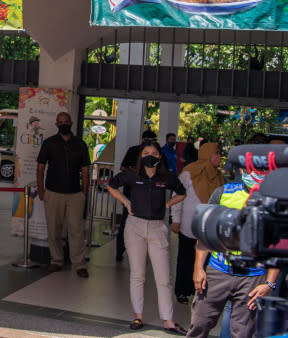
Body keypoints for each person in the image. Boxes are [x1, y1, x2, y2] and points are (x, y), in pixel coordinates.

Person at [185, 150, 281, 338]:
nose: (258, 173)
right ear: (243, 169)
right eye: (253, 168)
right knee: (199, 325)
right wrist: (198, 268)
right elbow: (206, 233)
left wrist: (269, 283)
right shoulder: (223, 193)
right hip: (218, 271)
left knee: (243, 332)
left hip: (253, 278)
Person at [106, 142, 186, 334]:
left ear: (160, 157)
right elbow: (111, 185)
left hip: (157, 228)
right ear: (140, 156)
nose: (150, 156)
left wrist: (167, 204)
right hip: (135, 227)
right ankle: (138, 315)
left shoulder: (166, 177)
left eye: (154, 153)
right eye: (146, 153)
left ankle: (168, 319)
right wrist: (125, 202)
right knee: (137, 274)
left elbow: (182, 192)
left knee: (164, 276)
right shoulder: (133, 174)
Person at [35, 111, 91, 277]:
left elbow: (85, 170)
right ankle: (56, 260)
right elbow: (40, 167)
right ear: (57, 125)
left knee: (76, 229)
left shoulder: (80, 144)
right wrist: (41, 190)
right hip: (53, 192)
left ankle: (79, 264)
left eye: (66, 121)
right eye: (61, 122)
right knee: (54, 229)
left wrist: (84, 192)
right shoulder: (49, 143)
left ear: (71, 123)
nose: (64, 124)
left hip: (75, 194)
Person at [171, 142, 223, 305]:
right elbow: (177, 196)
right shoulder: (189, 172)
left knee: (205, 261)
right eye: (216, 153)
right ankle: (182, 290)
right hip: (189, 224)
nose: (219, 157)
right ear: (207, 154)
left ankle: (200, 290)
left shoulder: (218, 176)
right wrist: (176, 219)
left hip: (208, 226)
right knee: (185, 258)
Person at [116, 129, 159, 261]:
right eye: (147, 140)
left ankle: (143, 252)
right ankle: (120, 250)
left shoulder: (157, 153)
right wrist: (134, 171)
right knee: (125, 222)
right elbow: (122, 168)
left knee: (148, 223)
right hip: (131, 192)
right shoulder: (133, 150)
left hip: (149, 193)